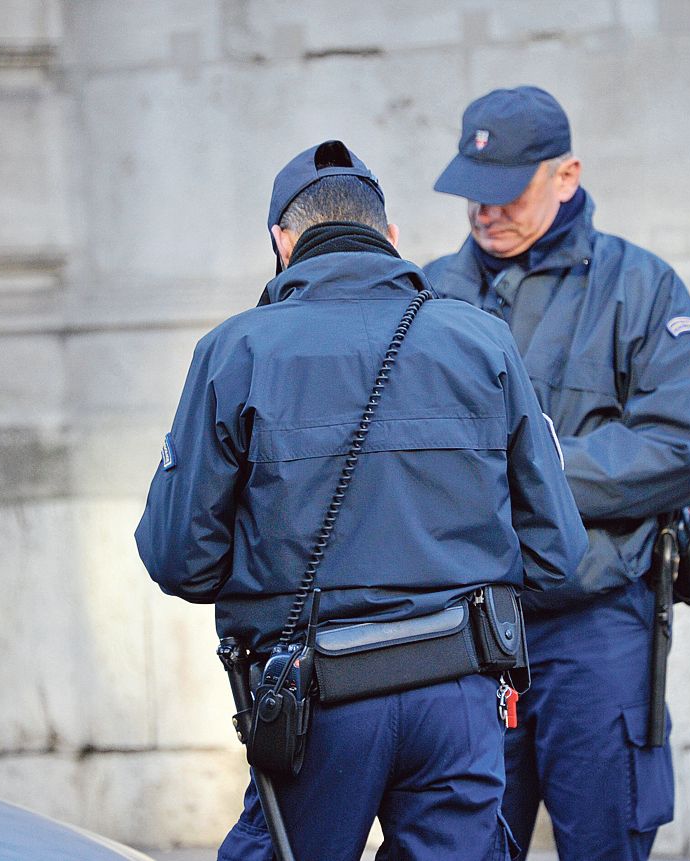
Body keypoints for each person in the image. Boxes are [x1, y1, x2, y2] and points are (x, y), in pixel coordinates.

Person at [134, 139, 586, 861]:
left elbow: (178, 559)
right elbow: (558, 551)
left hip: (316, 697)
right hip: (459, 695)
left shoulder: (236, 351)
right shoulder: (484, 341)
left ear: (283, 242)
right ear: (391, 236)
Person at [424, 87, 690, 860]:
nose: (486, 212)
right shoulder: (425, 298)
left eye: (507, 192)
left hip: (595, 624)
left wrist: (534, 468)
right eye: (473, 192)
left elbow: (680, 446)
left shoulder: (640, 287)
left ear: (567, 175)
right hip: (462, 632)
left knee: (604, 840)